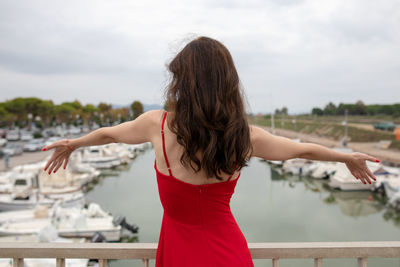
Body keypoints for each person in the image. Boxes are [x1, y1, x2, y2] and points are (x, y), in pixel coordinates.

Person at [41, 36, 379, 267]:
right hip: (227, 252)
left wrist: (74, 144)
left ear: (183, 83)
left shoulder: (156, 125)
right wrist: (345, 157)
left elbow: (108, 135)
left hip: (178, 252)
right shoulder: (244, 135)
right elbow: (299, 150)